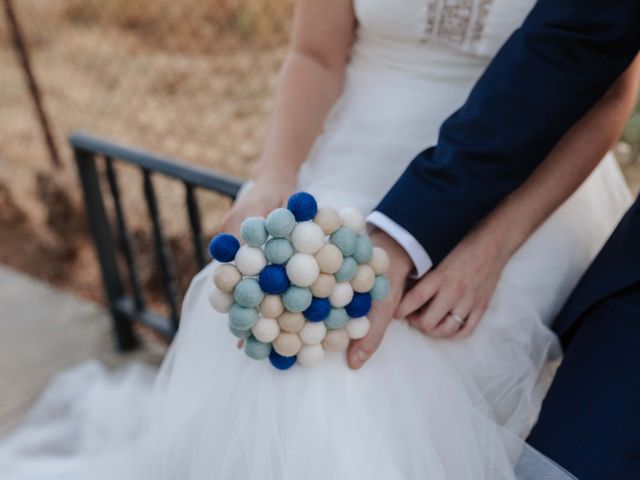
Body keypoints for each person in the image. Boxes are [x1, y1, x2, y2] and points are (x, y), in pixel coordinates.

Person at [0, 1, 637, 479]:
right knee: (286, 344)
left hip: (531, 191)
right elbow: (315, 55)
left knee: (392, 359)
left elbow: (609, 94)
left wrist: (493, 245)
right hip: (364, 156)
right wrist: (272, 177)